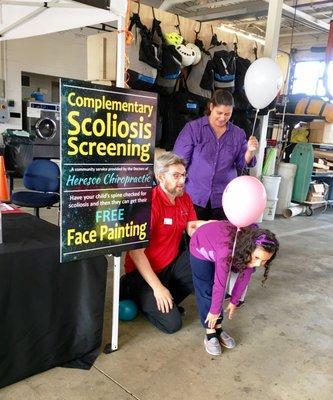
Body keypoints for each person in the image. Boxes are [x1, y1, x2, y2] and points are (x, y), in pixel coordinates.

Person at [120, 152, 208, 334]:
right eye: (176, 176)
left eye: (183, 175)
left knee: (202, 257)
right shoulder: (149, 204)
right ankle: (136, 294)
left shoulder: (184, 198)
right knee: (172, 324)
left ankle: (164, 300)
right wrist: (158, 288)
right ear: (160, 177)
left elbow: (192, 228)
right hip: (141, 273)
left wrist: (215, 228)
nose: (182, 181)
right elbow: (136, 253)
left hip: (169, 267)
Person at [189, 220, 279, 356]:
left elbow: (245, 275)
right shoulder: (226, 251)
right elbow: (220, 284)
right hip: (201, 245)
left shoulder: (253, 244)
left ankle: (218, 327)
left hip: (221, 246)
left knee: (220, 293)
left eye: (264, 260)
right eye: (256, 258)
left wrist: (234, 301)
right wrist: (214, 311)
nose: (258, 264)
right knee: (206, 289)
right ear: (249, 249)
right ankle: (210, 331)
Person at [173, 89, 259, 220]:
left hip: (223, 198)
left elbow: (242, 165)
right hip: (194, 196)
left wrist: (250, 151)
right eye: (219, 113)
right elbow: (179, 161)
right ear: (211, 107)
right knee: (193, 236)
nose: (222, 118)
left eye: (227, 114)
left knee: (219, 237)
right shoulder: (193, 129)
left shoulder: (238, 134)